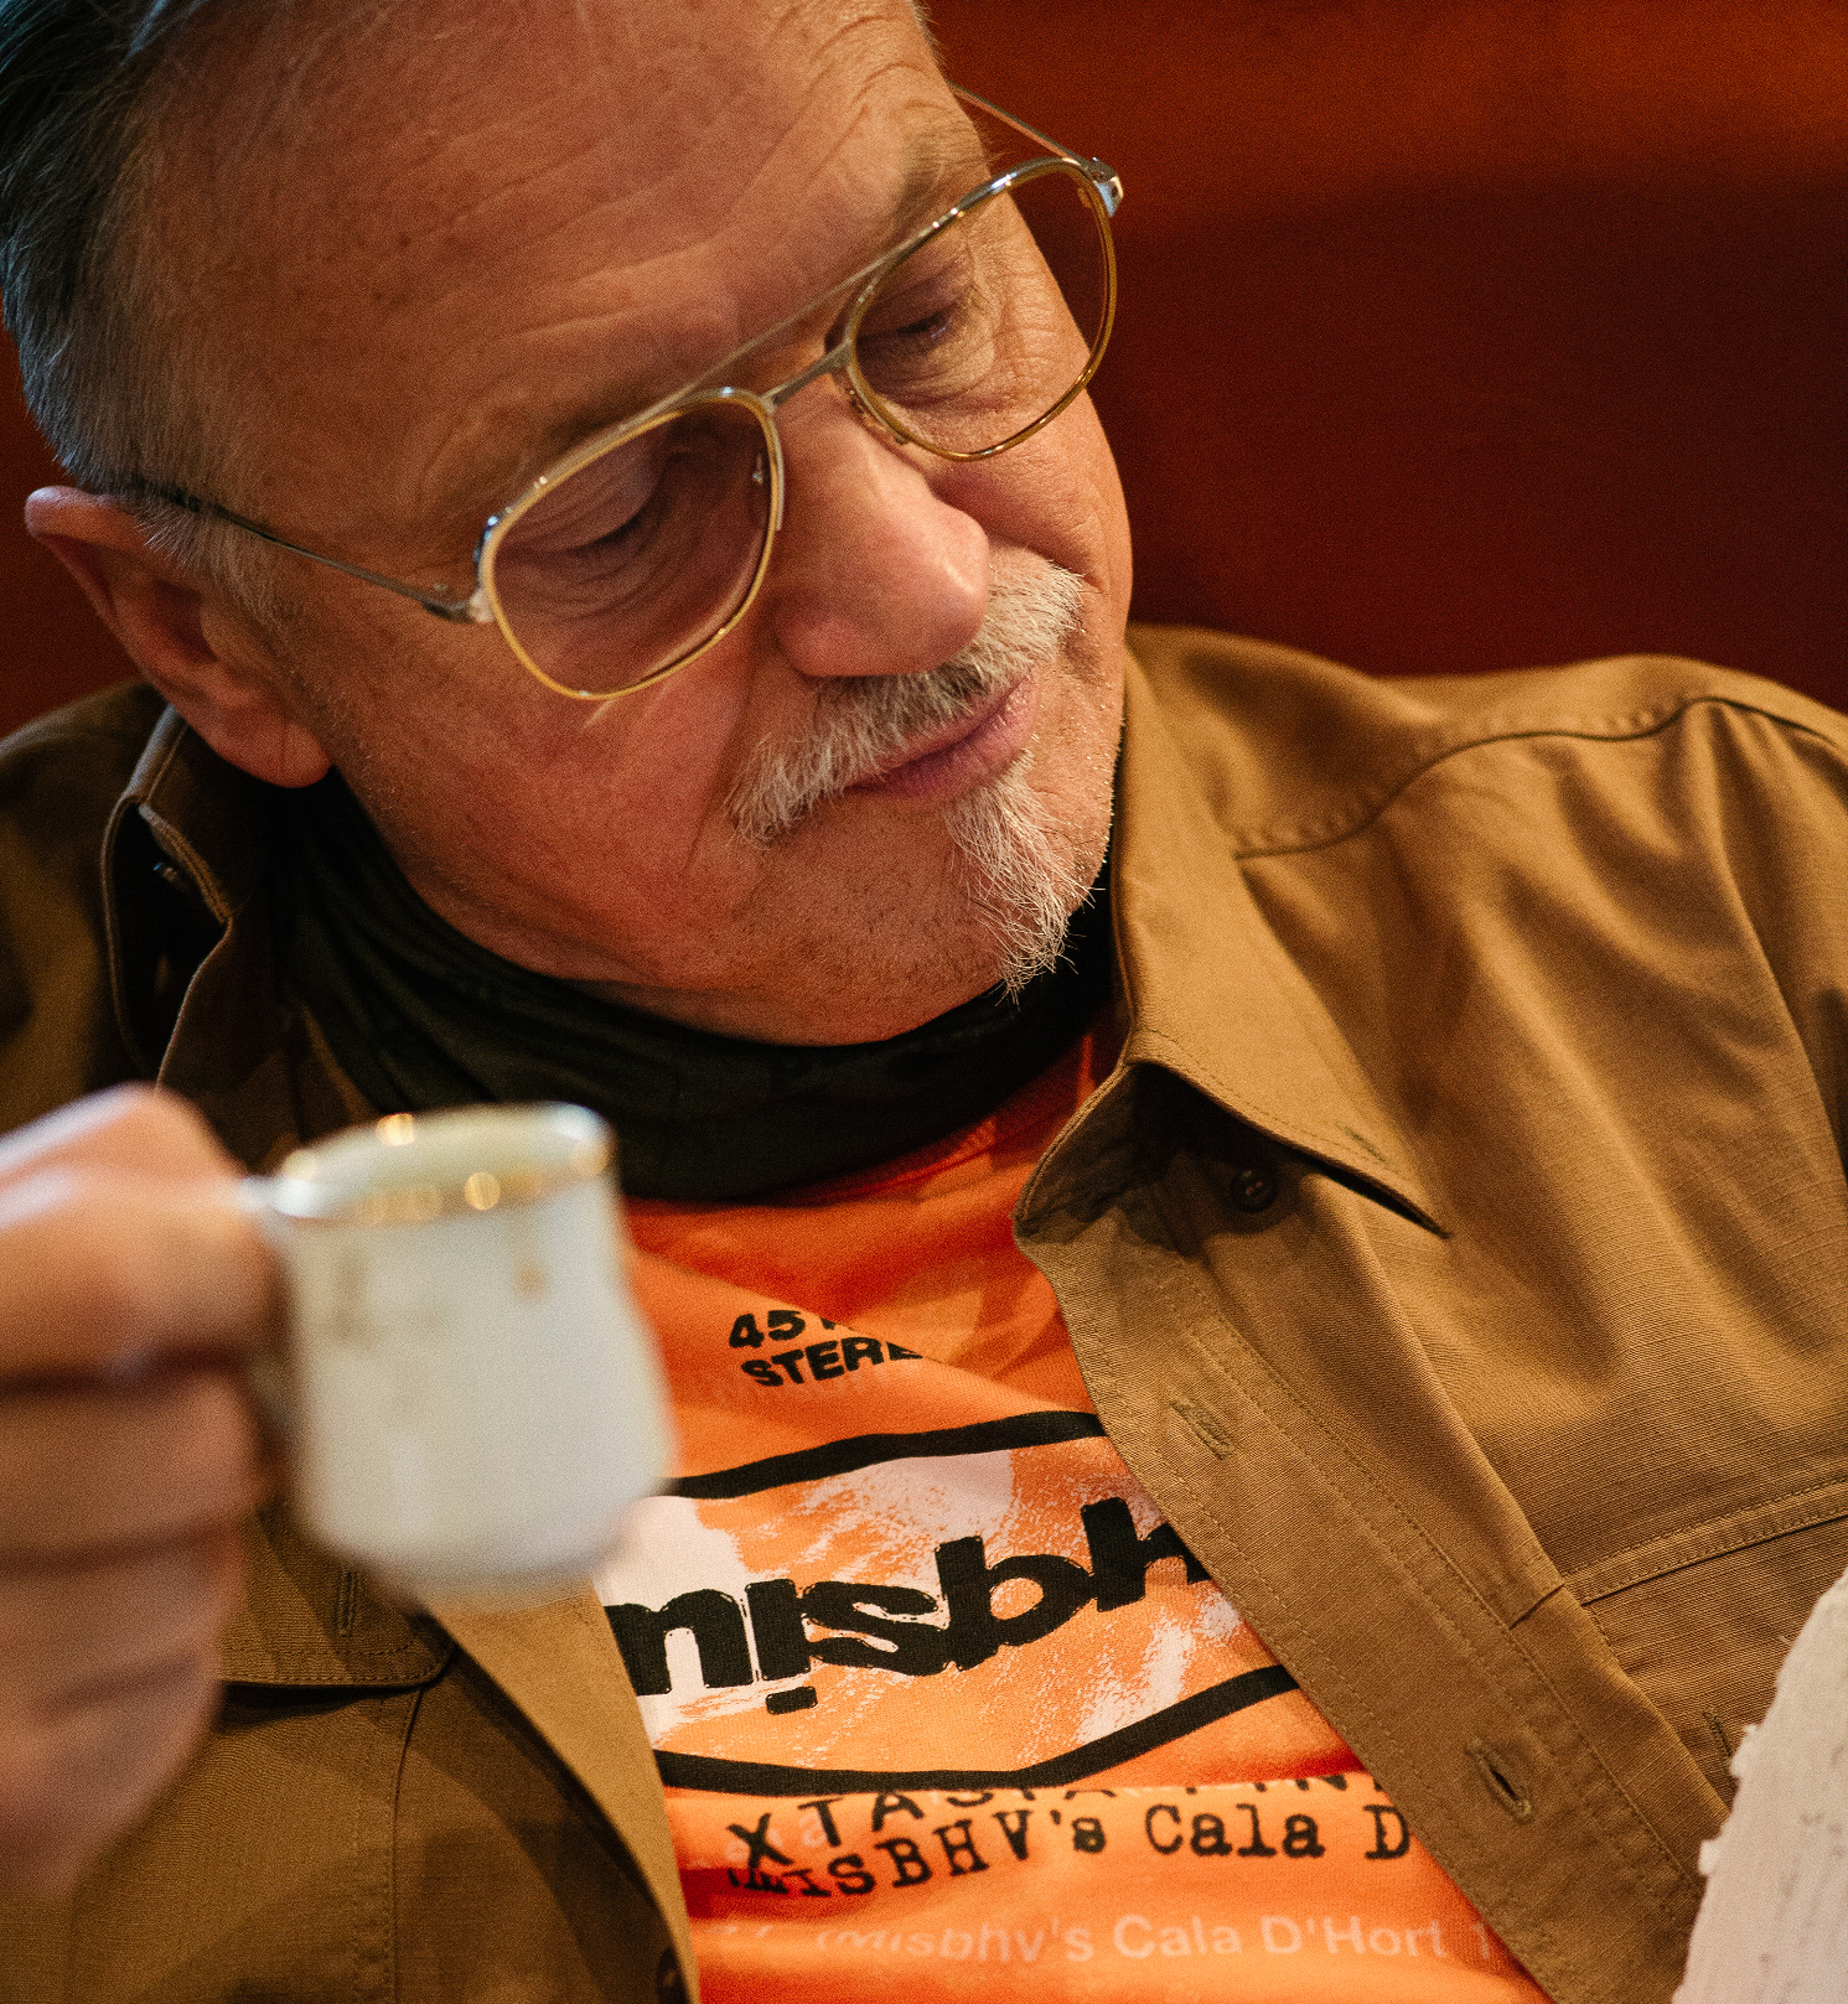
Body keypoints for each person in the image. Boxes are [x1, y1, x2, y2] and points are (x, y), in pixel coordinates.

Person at [0, 1, 1842, 2000]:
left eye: (927, 314)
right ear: (207, 629)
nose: (928, 585)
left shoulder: (1737, 894)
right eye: (618, 512)